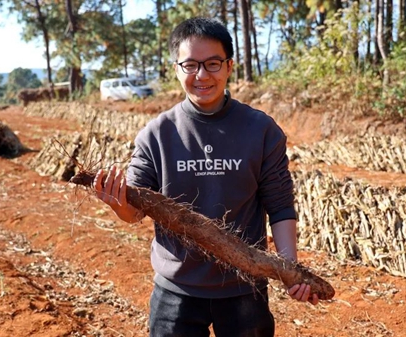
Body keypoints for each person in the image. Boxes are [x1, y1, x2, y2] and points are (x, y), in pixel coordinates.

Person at [93, 17, 318, 337]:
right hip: (176, 292)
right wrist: (117, 202)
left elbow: (280, 205)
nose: (201, 75)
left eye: (212, 63)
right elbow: (134, 211)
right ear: (176, 69)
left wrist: (289, 268)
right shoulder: (156, 134)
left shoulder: (261, 129)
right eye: (190, 65)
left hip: (244, 289)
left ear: (229, 66)